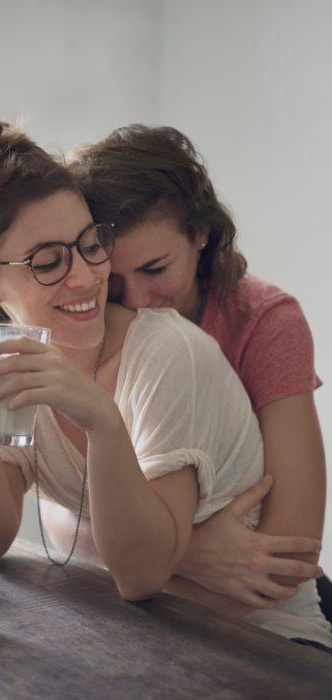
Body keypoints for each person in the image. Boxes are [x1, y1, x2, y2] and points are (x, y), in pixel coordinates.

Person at [0, 117, 332, 651]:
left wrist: (102, 419)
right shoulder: (16, 353)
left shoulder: (185, 345)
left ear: (200, 237)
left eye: (89, 245)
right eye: (50, 261)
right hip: (140, 631)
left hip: (255, 641)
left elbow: (152, 573)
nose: (91, 279)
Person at [64, 126, 330, 636]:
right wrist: (189, 554)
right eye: (113, 281)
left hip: (256, 625)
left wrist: (154, 554)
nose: (136, 300)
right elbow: (59, 510)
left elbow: (289, 554)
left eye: (155, 269)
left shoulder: (265, 322)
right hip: (147, 613)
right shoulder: (88, 322)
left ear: (202, 233)